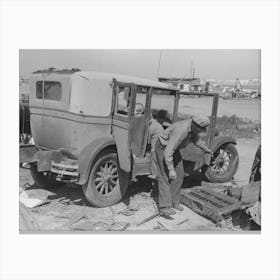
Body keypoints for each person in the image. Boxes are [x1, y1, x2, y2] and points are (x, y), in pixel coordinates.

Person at [154, 116, 213, 216]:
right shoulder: (181, 130)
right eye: (199, 129)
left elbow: (196, 139)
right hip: (163, 147)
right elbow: (168, 152)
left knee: (180, 173)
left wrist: (205, 149)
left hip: (173, 149)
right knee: (165, 175)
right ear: (194, 125)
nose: (199, 132)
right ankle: (164, 207)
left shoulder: (192, 127)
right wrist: (171, 169)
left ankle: (174, 201)